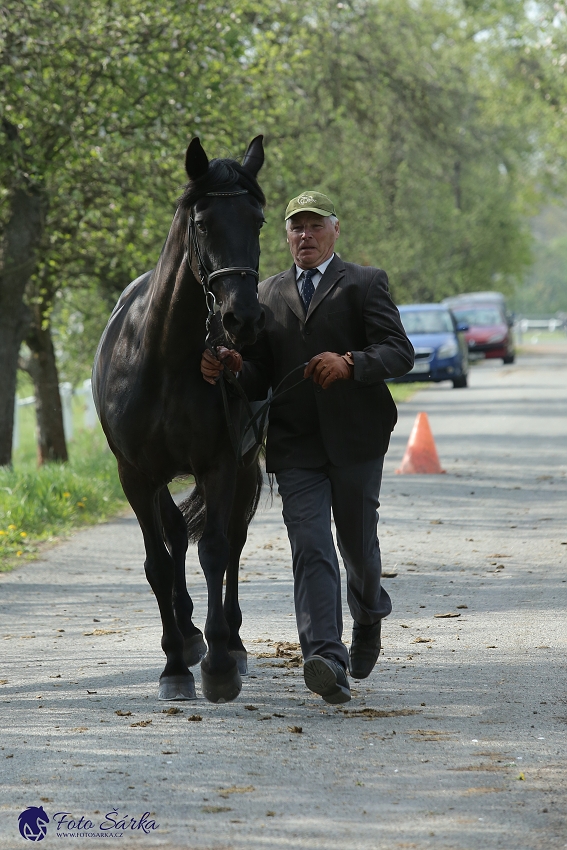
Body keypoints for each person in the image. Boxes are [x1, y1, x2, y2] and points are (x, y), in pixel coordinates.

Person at [201, 191, 414, 704]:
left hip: (357, 440)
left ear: (334, 231)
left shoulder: (365, 283)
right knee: (312, 547)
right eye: (296, 228)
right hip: (296, 446)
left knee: (358, 549)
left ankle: (368, 617)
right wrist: (232, 366)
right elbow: (259, 379)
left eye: (314, 226)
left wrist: (350, 363)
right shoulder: (268, 294)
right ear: (286, 237)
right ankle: (326, 657)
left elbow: (399, 353)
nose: (305, 236)